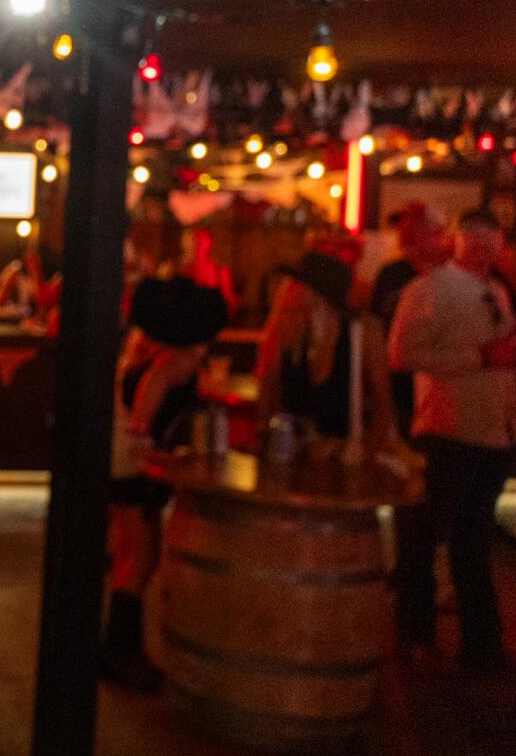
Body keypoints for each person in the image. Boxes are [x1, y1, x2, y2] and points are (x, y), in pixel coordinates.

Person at [389, 209, 516, 674]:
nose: (485, 247)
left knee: (473, 539)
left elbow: (503, 353)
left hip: (494, 429)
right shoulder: (428, 289)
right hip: (448, 429)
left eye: (493, 239)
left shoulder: (498, 290)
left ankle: (482, 645)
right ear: (457, 240)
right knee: (425, 537)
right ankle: (415, 636)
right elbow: (401, 354)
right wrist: (479, 357)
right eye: (476, 238)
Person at [103, 276, 227, 692]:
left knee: (131, 555)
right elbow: (144, 416)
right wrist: (155, 451)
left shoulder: (151, 349)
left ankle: (119, 650)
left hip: (119, 456)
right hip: (131, 462)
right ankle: (118, 654)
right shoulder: (175, 361)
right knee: (141, 557)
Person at [255, 249, 395, 454]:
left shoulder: (363, 333)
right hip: (295, 456)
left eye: (300, 285)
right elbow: (269, 386)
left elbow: (383, 406)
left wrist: (364, 454)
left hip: (345, 458)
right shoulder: (290, 328)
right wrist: (263, 434)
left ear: (317, 293)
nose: (292, 291)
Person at [370, 203, 452, 440]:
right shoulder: (390, 273)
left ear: (437, 234)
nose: (404, 235)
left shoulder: (450, 275)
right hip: (397, 382)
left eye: (413, 228)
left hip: (437, 386)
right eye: (402, 228)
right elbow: (377, 326)